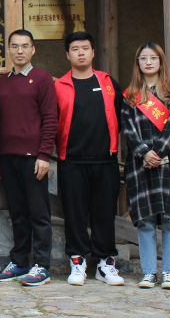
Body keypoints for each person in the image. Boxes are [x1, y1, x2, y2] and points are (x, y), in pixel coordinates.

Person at [55, 32, 124, 286]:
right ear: (67, 55)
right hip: (71, 160)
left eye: (85, 48)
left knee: (104, 213)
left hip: (105, 159)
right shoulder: (59, 86)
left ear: (93, 52)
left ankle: (105, 264)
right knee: (74, 214)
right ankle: (77, 261)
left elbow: (121, 116)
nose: (81, 53)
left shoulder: (107, 82)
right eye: (75, 49)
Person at [122, 42, 170, 290]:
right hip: (140, 163)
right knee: (146, 219)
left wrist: (159, 151)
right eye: (143, 58)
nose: (148, 62)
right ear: (138, 63)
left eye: (153, 58)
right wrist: (145, 152)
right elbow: (128, 129)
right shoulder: (130, 95)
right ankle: (149, 272)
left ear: (161, 61)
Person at [0, 30, 57, 286]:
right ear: (8, 50)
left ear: (33, 50)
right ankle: (19, 262)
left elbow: (50, 118)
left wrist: (44, 154)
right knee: (17, 213)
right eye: (15, 46)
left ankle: (41, 265)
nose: (19, 51)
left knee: (38, 212)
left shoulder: (42, 78)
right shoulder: (2, 81)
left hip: (34, 158)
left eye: (25, 46)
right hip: (8, 158)